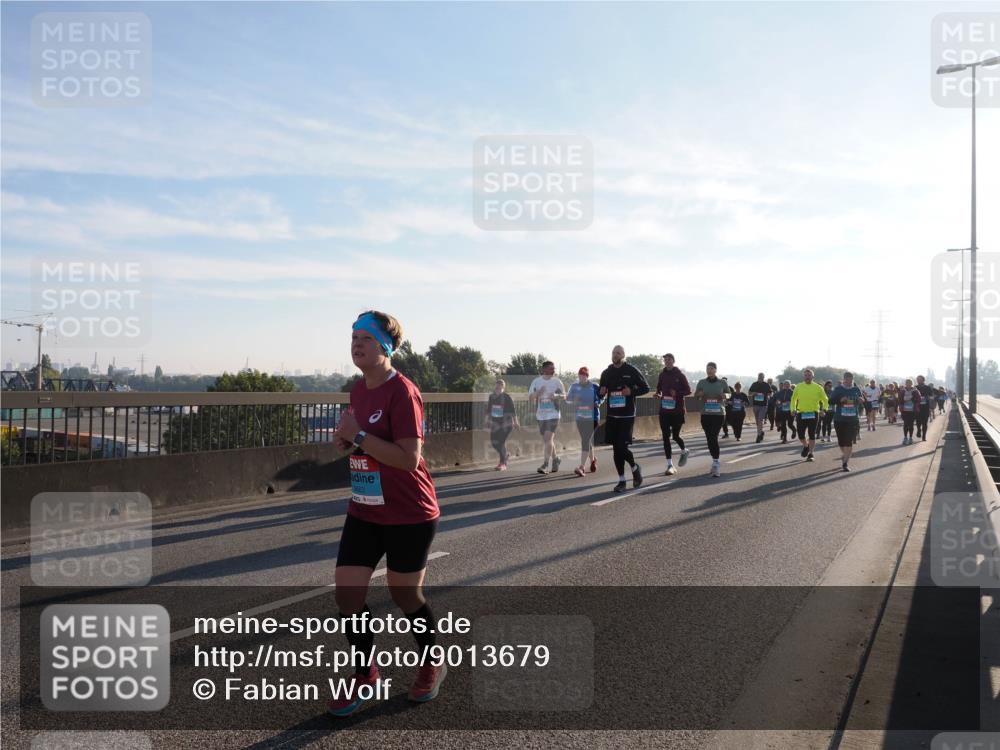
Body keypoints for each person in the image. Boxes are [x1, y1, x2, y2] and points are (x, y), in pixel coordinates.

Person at [329, 311, 445, 716]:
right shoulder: (358, 390)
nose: (356, 344)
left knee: (404, 594)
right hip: (365, 508)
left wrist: (359, 435)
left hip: (410, 511)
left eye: (365, 337)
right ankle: (366, 674)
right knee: (347, 594)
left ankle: (431, 660)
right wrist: (349, 442)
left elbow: (410, 459)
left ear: (386, 347)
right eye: (353, 337)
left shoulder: (403, 392)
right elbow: (365, 442)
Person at [599, 346, 650, 492]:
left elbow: (645, 388)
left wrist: (631, 392)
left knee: (621, 446)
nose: (616, 355)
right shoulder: (606, 373)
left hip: (627, 415)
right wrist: (601, 392)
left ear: (623, 355)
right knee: (616, 449)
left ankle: (634, 467)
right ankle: (622, 480)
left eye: (618, 353)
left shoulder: (631, 370)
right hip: (612, 415)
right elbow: (601, 392)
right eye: (614, 353)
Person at [654, 353, 692, 475]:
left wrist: (677, 393)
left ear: (673, 361)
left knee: (675, 436)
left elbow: (688, 391)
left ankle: (684, 450)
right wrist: (658, 395)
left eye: (669, 359)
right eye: (665, 360)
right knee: (665, 437)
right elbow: (659, 389)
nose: (667, 361)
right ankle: (670, 465)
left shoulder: (680, 375)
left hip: (677, 411)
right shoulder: (662, 375)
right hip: (664, 410)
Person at [528, 361, 566, 473]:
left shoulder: (557, 381)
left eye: (554, 368)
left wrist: (556, 396)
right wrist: (538, 392)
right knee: (548, 441)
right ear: (544, 370)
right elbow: (530, 397)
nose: (553, 370)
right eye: (551, 368)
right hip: (541, 415)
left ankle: (545, 464)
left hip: (554, 414)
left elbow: (564, 396)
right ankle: (556, 459)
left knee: (548, 439)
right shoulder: (536, 381)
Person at [694, 362, 727, 477]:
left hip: (718, 414)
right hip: (706, 414)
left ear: (715, 370)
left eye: (711, 368)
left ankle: (717, 463)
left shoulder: (722, 382)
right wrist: (700, 394)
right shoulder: (702, 382)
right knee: (709, 439)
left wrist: (725, 396)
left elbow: (729, 394)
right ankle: (714, 461)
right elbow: (695, 396)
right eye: (707, 368)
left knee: (713, 437)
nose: (709, 370)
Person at [566, 367, 601, 477]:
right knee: (586, 440)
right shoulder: (574, 386)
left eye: (584, 375)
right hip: (580, 417)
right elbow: (568, 399)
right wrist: (573, 400)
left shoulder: (594, 386)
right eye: (580, 375)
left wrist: (598, 402)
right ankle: (593, 460)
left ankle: (582, 467)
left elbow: (602, 397)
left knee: (585, 440)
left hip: (593, 418)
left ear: (587, 376)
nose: (582, 377)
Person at [791, 368, 829, 462]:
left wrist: (824, 410)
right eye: (806, 375)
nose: (807, 377)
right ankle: (806, 445)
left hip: (813, 413)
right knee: (800, 435)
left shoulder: (818, 387)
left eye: (809, 375)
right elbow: (793, 399)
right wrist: (793, 409)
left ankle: (811, 454)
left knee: (812, 434)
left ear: (813, 377)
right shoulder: (799, 387)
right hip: (801, 413)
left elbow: (825, 400)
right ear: (804, 376)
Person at [828, 371, 863, 471]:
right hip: (840, 419)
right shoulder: (838, 389)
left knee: (849, 441)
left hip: (852, 419)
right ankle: (845, 454)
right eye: (847, 380)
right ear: (844, 379)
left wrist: (861, 400)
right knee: (841, 442)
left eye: (851, 380)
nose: (849, 382)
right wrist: (840, 400)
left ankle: (845, 463)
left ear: (853, 379)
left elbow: (861, 399)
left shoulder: (856, 389)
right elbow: (830, 401)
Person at [485, 379, 518, 470]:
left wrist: (516, 422)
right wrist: (487, 420)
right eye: (497, 386)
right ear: (495, 387)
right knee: (493, 442)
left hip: (506, 424)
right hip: (495, 424)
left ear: (503, 387)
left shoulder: (507, 397)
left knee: (501, 442)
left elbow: (513, 411)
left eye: (500, 387)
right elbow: (489, 410)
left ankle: (502, 464)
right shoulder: (491, 397)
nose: (498, 388)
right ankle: (505, 455)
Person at [748, 373, 771, 443]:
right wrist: (754, 393)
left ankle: (758, 435)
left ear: (764, 377)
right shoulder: (754, 384)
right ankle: (761, 432)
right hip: (756, 405)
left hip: (763, 405)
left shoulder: (766, 385)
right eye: (759, 377)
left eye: (762, 377)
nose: (761, 378)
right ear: (758, 377)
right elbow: (749, 393)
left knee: (760, 420)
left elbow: (770, 393)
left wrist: (767, 395)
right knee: (757, 421)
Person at [900, 378, 922, 445]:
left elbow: (919, 399)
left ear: (912, 384)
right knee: (905, 424)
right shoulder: (902, 391)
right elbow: (900, 399)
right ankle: (905, 437)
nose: (908, 384)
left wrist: (913, 399)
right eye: (907, 383)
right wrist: (901, 405)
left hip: (913, 410)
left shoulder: (915, 391)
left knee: (911, 424)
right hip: (905, 410)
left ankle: (910, 438)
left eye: (909, 383)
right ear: (905, 384)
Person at [915, 375, 933, 440]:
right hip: (918, 407)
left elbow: (931, 397)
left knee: (925, 422)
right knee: (918, 422)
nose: (918, 380)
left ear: (923, 380)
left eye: (920, 379)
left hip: (925, 407)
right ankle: (919, 430)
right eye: (917, 379)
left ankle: (924, 436)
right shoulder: (915, 388)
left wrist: (928, 398)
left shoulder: (927, 388)